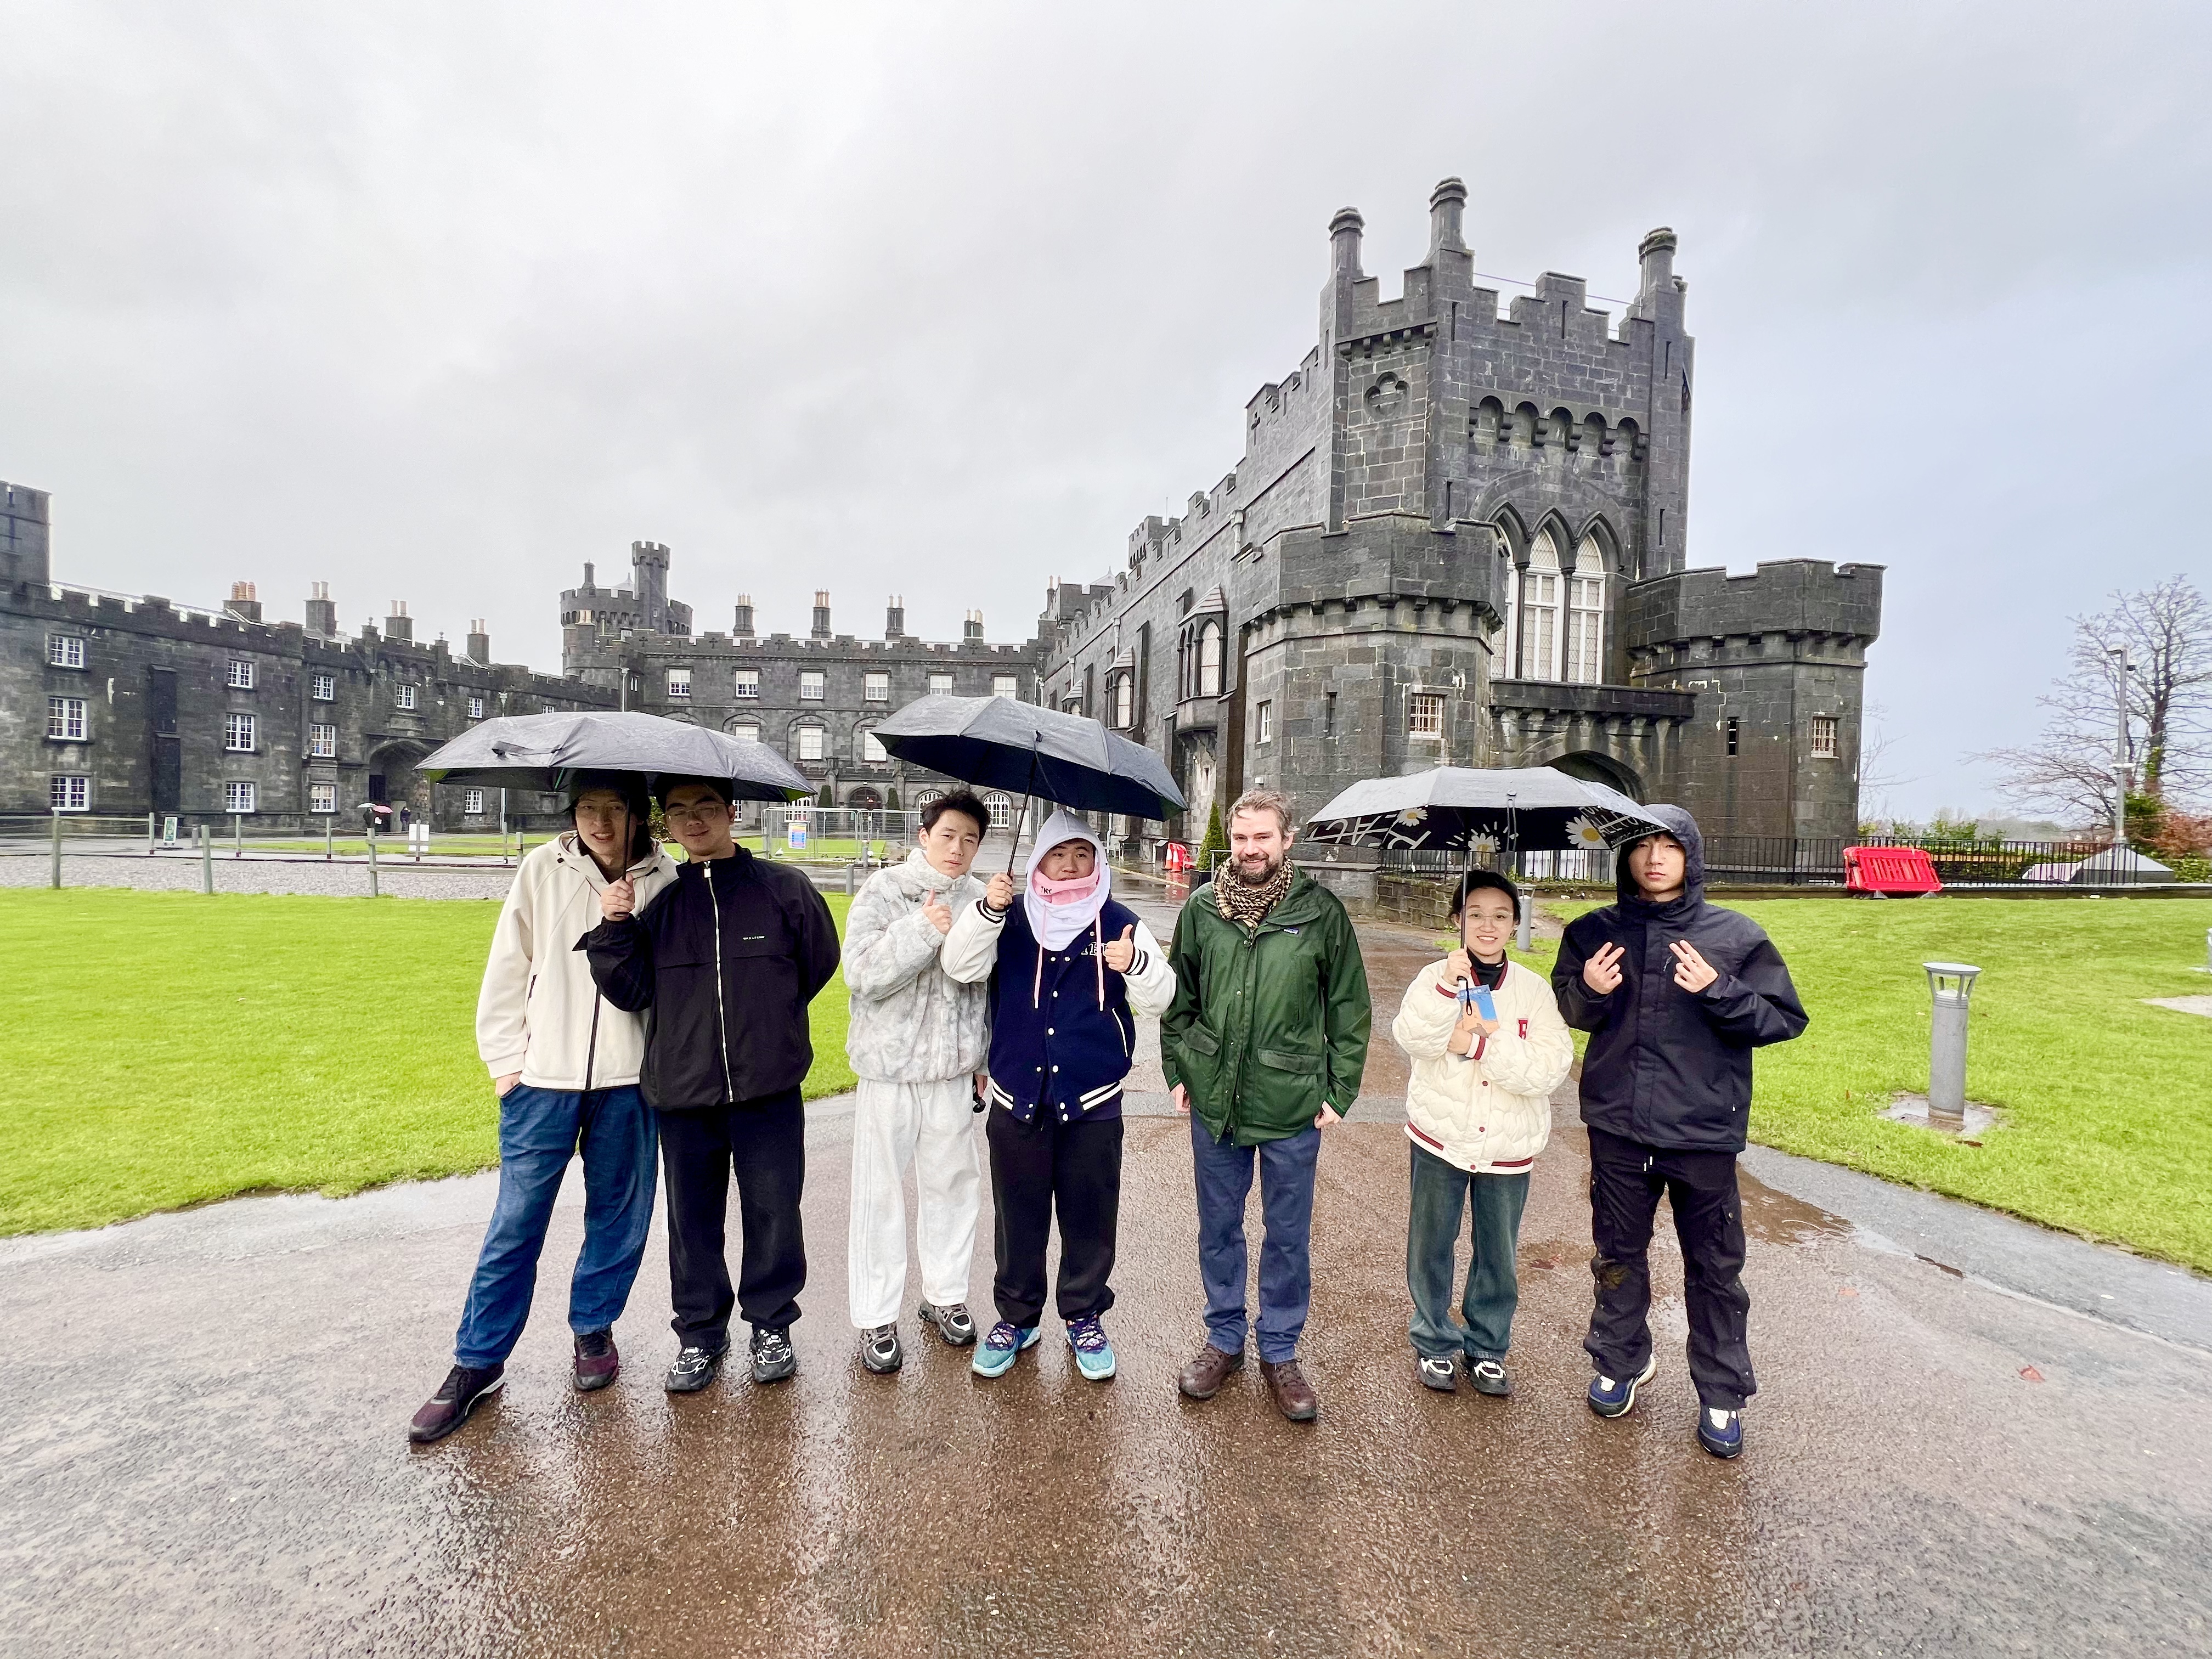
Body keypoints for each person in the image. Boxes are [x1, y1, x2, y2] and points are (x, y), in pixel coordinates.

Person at [408, 772, 677, 1444]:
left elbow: (670, 985)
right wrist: (507, 1064)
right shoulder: (542, 868)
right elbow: (509, 965)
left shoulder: (666, 879)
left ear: (638, 816)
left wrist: (625, 920)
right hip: (542, 1081)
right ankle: (478, 1360)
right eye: (587, 810)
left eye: (613, 810)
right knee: (516, 1223)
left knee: (618, 1217)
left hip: (629, 1083)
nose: (600, 824)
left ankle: (593, 1327)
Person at [1552, 806, 1808, 1460]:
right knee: (1617, 1253)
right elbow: (1571, 1010)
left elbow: (1783, 1019)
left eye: (1671, 846)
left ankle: (1721, 1392)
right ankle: (1620, 1359)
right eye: (1644, 846)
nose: (1656, 858)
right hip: (1619, 1126)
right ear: (1627, 857)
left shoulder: (1735, 936)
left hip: (1703, 1132)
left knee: (1715, 1267)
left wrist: (1720, 989)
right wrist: (1589, 989)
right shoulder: (1593, 932)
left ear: (1691, 855)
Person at [584, 775, 840, 1395]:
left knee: (774, 1211)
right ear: (665, 823)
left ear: (731, 811)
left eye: (705, 807)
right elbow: (631, 992)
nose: (693, 821)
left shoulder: (784, 890)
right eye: (678, 811)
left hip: (768, 1089)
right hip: (684, 1091)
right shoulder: (661, 906)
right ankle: (701, 1333)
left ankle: (771, 1324)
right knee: (692, 1220)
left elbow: (818, 962)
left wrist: (772, 1023)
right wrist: (614, 927)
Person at [940, 809, 1176, 1382]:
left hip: (1092, 1103)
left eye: (1081, 855)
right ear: (1039, 860)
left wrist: (1135, 964)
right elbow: (961, 966)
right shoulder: (1009, 914)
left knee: (1089, 1216)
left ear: (1096, 859)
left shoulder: (1118, 921)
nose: (1070, 866)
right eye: (1058, 854)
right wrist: (988, 911)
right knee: (1016, 1217)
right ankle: (1017, 1318)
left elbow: (1161, 999)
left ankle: (1083, 1315)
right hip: (1017, 1098)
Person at [1160, 788, 1371, 1421]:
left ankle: (1280, 1348)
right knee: (1219, 1228)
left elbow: (1350, 1007)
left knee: (1287, 1235)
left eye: (1263, 837)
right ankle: (1225, 1339)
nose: (1251, 849)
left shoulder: (1320, 912)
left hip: (1291, 1102)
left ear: (1287, 840)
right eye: (1242, 838)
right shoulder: (1203, 908)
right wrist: (1178, 1068)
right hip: (1216, 1099)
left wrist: (1340, 1090)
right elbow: (1178, 997)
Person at [1389, 870, 1573, 1396]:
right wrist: (1446, 988)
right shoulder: (1435, 978)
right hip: (1441, 1136)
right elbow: (1413, 1037)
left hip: (1507, 1146)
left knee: (1498, 1253)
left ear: (1515, 924)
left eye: (1500, 916)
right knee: (1431, 1244)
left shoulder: (1533, 992)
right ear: (1457, 920)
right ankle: (1434, 1340)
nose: (1487, 926)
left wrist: (1479, 1045)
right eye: (1475, 915)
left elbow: (1549, 1068)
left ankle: (1488, 1346)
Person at [839, 791, 995, 1374]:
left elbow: (985, 989)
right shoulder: (886, 890)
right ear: (924, 835)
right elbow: (861, 974)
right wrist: (921, 930)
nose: (958, 848)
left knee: (953, 1187)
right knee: (879, 1194)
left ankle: (945, 1294)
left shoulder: (982, 899)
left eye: (970, 839)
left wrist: (982, 1059)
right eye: (948, 835)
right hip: (890, 1070)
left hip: (952, 1071)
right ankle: (877, 1314)